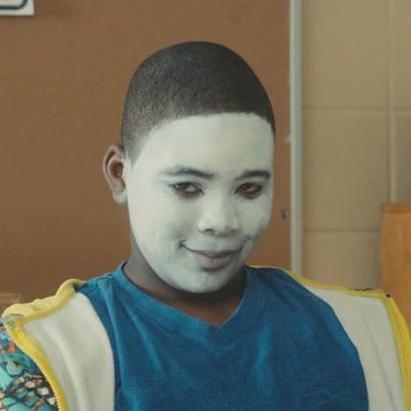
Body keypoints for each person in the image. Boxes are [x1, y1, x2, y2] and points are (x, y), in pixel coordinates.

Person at [0, 41, 410, 411]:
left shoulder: (363, 329)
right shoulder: (42, 351)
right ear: (119, 174)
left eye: (249, 188)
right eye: (187, 187)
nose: (221, 222)